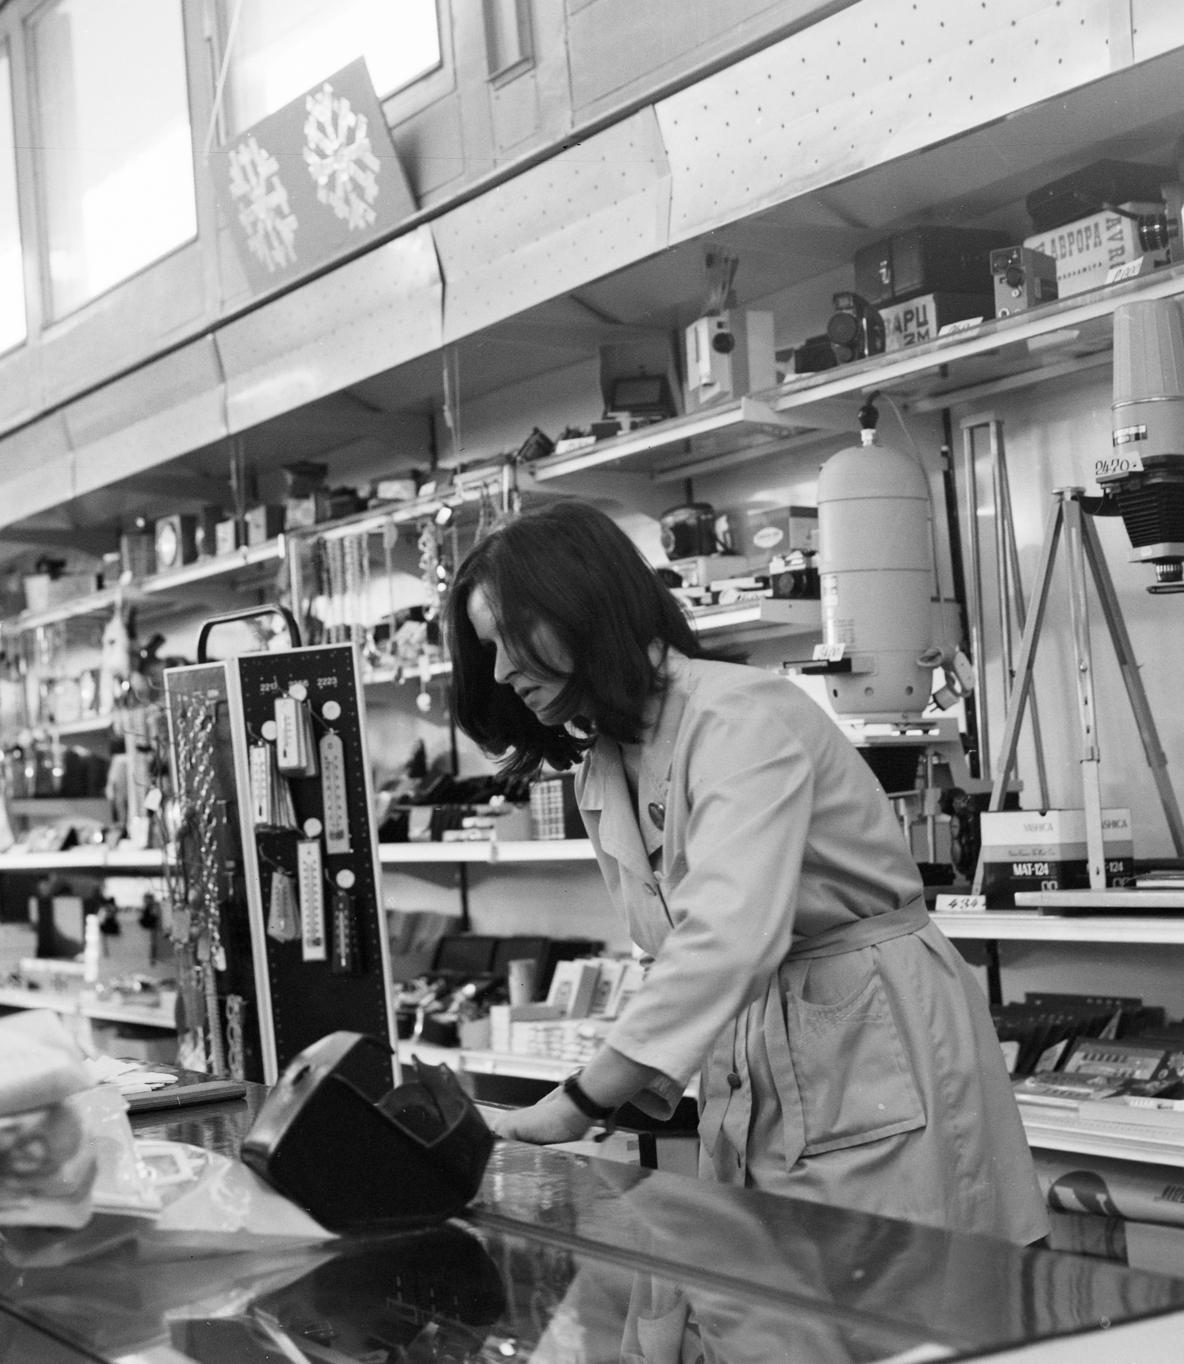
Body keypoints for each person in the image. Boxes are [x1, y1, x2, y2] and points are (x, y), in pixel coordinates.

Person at [447, 499, 1046, 1244]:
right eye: (487, 648)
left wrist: (579, 1101)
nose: (503, 672)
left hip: (871, 1038)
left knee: (916, 1302)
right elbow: (680, 953)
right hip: (761, 1055)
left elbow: (726, 936)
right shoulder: (601, 769)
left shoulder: (740, 716)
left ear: (584, 607)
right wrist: (637, 1080)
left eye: (510, 638)